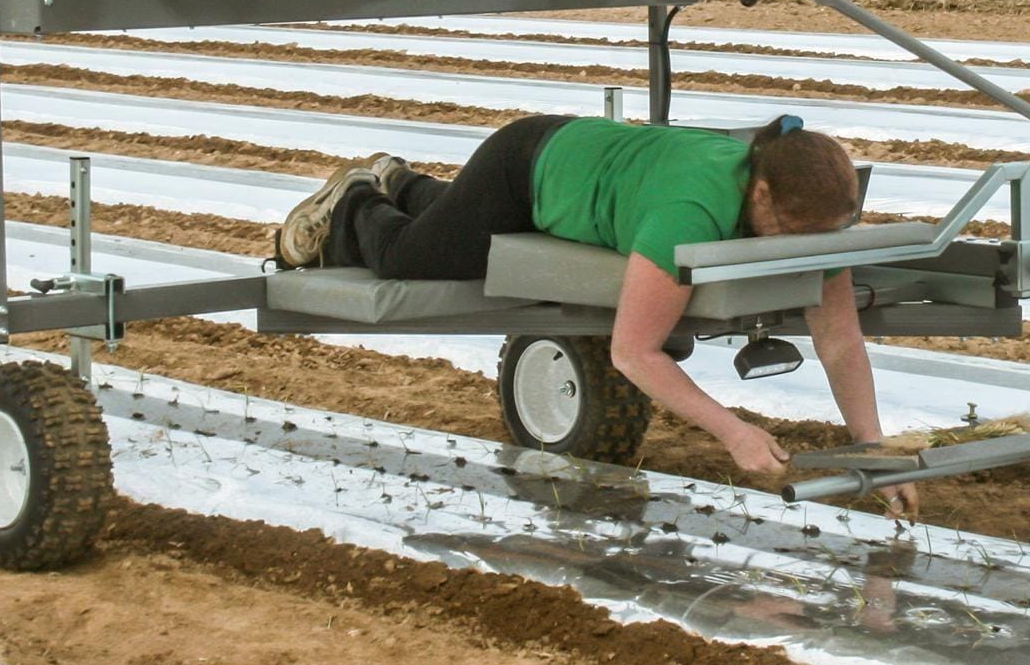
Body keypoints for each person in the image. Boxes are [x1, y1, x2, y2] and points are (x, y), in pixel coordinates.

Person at [273, 113, 919, 517]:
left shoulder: (812, 220)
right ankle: (358, 194)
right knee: (417, 257)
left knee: (457, 226)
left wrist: (876, 450)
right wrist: (735, 432)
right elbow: (632, 351)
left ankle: (403, 181)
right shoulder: (687, 217)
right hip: (528, 164)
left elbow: (839, 341)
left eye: (816, 237)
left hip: (591, 166)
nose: (796, 250)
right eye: (788, 231)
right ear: (760, 190)